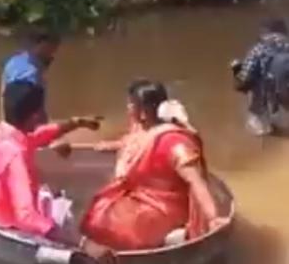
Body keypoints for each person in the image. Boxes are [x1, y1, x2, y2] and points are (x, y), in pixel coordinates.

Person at [81, 80, 227, 251]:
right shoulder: (143, 129)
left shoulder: (174, 143)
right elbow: (132, 144)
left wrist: (213, 218)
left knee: (112, 220)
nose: (128, 108)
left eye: (131, 104)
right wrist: (110, 146)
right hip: (142, 196)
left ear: (143, 112)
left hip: (165, 206)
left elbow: (196, 182)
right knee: (100, 207)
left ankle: (173, 237)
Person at [0, 81, 112, 260]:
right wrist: (85, 244)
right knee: (69, 213)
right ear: (35, 115)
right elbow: (26, 216)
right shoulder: (17, 155)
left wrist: (76, 123)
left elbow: (36, 137)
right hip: (11, 234)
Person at [231, 18, 289, 136]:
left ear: (265, 32)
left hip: (267, 98)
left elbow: (244, 79)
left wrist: (236, 69)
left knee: (256, 84)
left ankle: (265, 139)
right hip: (284, 95)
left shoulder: (258, 49)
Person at [1, 27, 61, 123]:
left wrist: (3, 119)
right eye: (53, 48)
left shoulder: (13, 60)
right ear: (43, 45)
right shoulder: (38, 63)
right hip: (26, 90)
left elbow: (4, 90)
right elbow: (38, 89)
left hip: (11, 96)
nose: (54, 53)